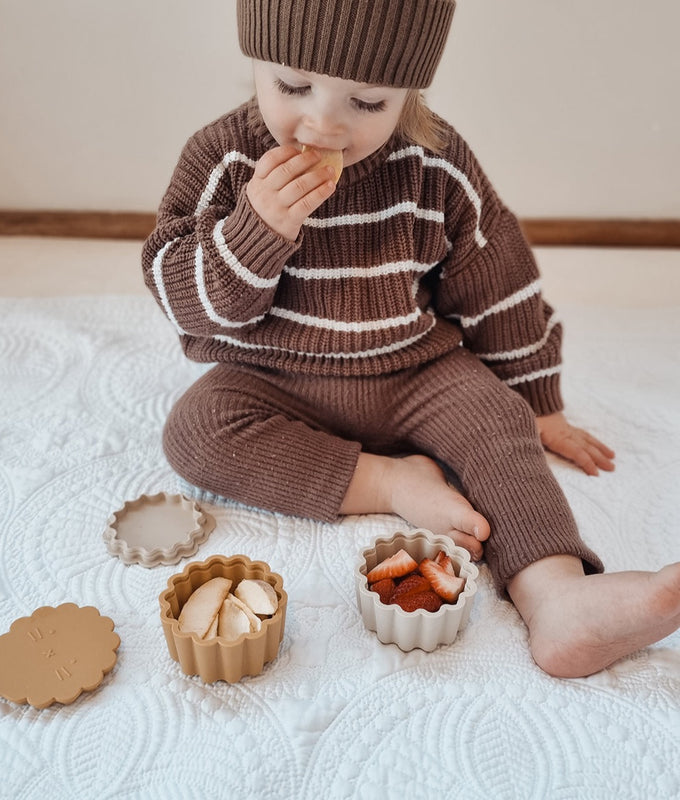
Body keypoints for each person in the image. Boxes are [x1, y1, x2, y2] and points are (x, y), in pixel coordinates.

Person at [142, 0, 680, 677]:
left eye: (367, 100)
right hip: (273, 374)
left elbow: (495, 278)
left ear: (410, 90)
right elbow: (180, 298)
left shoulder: (435, 163)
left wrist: (537, 397)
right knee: (195, 430)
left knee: (497, 423)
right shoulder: (222, 161)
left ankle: (559, 597)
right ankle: (392, 481)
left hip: (414, 371)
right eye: (293, 86)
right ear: (257, 60)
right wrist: (256, 230)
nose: (324, 122)